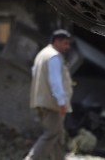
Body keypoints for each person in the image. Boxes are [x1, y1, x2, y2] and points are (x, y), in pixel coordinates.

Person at [24, 29, 74, 160]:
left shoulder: (42, 54)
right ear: (56, 41)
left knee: (57, 137)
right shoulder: (54, 57)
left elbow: (36, 75)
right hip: (52, 104)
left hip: (42, 102)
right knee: (51, 134)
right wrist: (61, 102)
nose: (67, 47)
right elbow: (55, 82)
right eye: (65, 43)